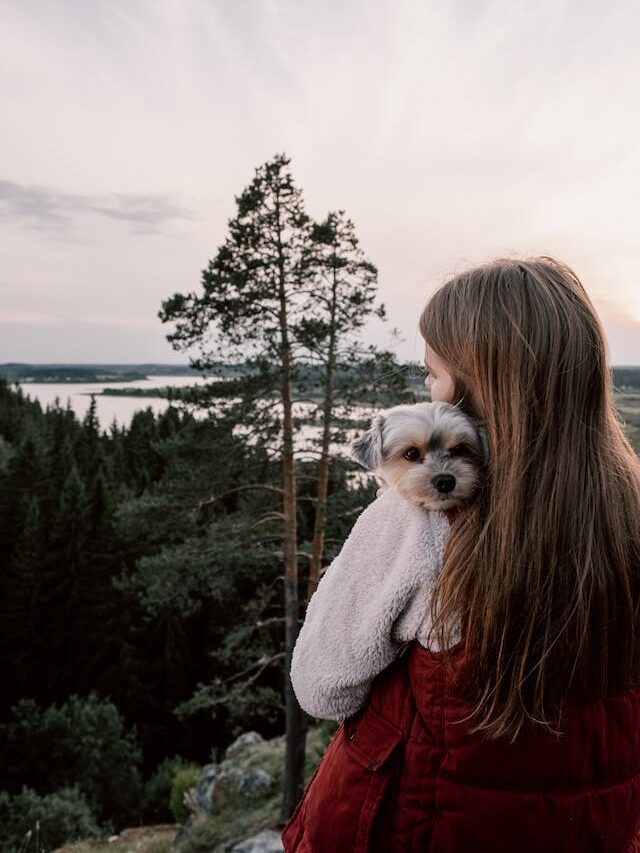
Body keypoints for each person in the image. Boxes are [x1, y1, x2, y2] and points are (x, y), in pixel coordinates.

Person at [281, 257, 640, 852]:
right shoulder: (625, 511)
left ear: (479, 385)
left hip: (426, 824)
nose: (430, 388)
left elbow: (322, 686)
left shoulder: (417, 522)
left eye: (432, 375)